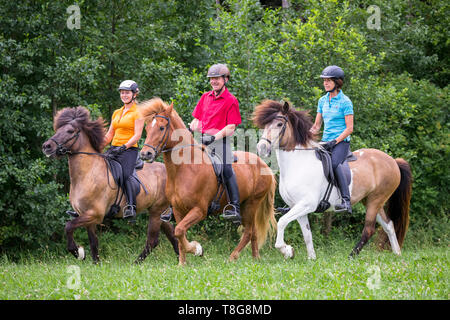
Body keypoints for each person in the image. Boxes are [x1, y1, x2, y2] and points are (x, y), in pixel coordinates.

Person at [190, 63, 243, 224]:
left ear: (225, 79)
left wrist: (214, 137)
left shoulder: (231, 100)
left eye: (217, 78)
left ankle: (234, 206)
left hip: (220, 141)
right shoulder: (205, 97)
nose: (214, 81)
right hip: (203, 140)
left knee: (226, 167)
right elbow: (197, 119)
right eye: (212, 79)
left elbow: (231, 126)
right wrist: (191, 127)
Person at [310, 65, 354, 214]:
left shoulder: (345, 102)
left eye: (328, 81)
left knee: (334, 164)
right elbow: (316, 125)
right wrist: (306, 137)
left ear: (337, 82)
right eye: (324, 81)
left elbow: (349, 128)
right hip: (325, 141)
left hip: (340, 142)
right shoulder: (322, 101)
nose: (325, 83)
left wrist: (335, 141)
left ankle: (346, 201)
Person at [103, 80, 145, 223]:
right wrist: (97, 144)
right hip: (114, 148)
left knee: (125, 174)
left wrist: (124, 146)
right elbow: (109, 134)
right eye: (122, 93)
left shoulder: (138, 112)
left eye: (127, 93)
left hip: (129, 150)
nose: (124, 95)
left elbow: (137, 135)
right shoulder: (117, 112)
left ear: (134, 94)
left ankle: (131, 206)